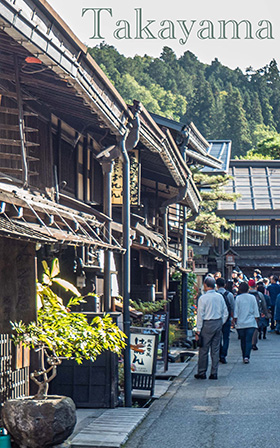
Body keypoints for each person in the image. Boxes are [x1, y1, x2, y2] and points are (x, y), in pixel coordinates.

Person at [194, 276, 228, 380]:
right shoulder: (219, 296)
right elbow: (225, 312)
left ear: (205, 285)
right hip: (217, 322)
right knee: (215, 349)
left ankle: (202, 372)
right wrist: (221, 323)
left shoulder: (203, 298)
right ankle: (214, 373)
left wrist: (198, 330)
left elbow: (200, 315)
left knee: (204, 349)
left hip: (207, 324)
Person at [234, 282, 260, 363]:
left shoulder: (238, 298)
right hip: (251, 322)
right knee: (248, 340)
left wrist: (235, 321)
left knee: (243, 340)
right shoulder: (252, 298)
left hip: (241, 323)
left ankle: (243, 355)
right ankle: (246, 356)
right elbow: (256, 311)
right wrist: (256, 320)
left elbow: (236, 312)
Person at [216, 277, 235, 364]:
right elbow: (232, 308)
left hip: (217, 319)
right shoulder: (229, 295)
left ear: (216, 285)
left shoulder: (215, 294)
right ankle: (224, 354)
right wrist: (233, 319)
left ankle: (219, 353)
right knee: (226, 337)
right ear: (224, 285)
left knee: (218, 337)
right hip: (227, 319)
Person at [248, 279, 268, 350]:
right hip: (257, 313)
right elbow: (264, 304)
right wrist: (266, 313)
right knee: (255, 329)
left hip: (247, 314)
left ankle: (248, 342)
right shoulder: (259, 294)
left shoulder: (246, 294)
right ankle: (254, 343)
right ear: (255, 286)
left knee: (248, 328)